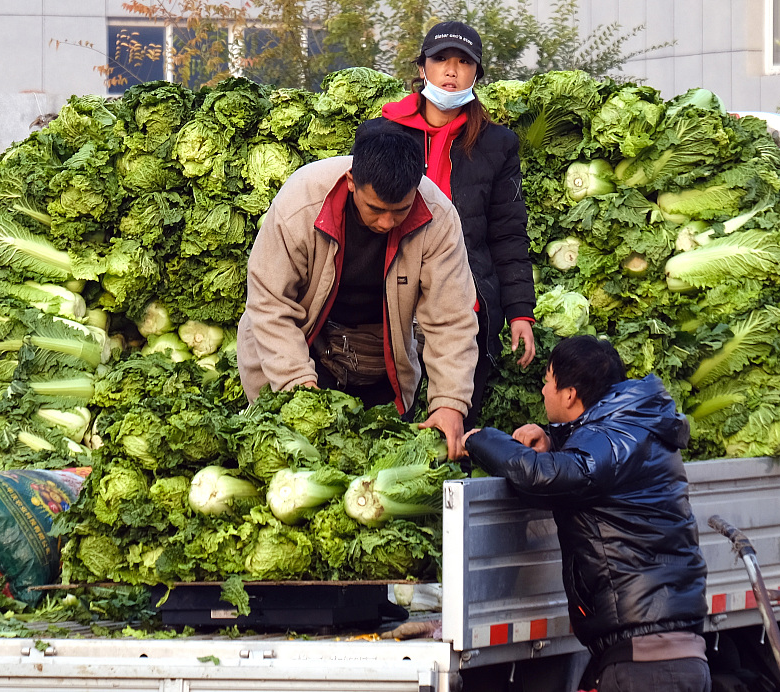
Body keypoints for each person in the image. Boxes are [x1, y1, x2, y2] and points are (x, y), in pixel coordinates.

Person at [462, 335, 710, 692]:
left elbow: (541, 477)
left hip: (644, 664)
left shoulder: (616, 440)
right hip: (665, 654)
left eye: (547, 380)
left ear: (570, 394)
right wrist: (552, 442)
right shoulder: (631, 429)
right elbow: (590, 469)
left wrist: (480, 438)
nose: (543, 391)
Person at [236, 121, 479, 458]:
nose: (386, 223)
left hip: (380, 354)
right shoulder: (301, 202)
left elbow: (450, 319)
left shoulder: (437, 217)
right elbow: (269, 305)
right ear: (351, 182)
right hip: (297, 345)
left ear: (416, 190)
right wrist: (299, 391)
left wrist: (451, 403)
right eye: (376, 209)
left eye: (400, 211)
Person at [359, 20, 537, 428]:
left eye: (464, 62)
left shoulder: (497, 144)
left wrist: (520, 312)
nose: (452, 71)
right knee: (386, 428)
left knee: (453, 425)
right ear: (423, 68)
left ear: (477, 73)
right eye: (441, 60)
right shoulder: (381, 132)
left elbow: (507, 233)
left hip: (464, 301)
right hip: (389, 302)